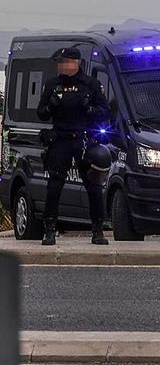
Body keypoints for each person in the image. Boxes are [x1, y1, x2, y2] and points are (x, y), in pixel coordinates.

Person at [36, 47, 110, 246]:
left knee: (93, 187)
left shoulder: (91, 85)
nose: (61, 66)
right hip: (60, 140)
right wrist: (50, 105)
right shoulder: (52, 85)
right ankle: (50, 230)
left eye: (64, 62)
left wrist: (90, 109)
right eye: (59, 62)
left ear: (75, 63)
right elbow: (41, 113)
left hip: (83, 140)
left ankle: (97, 231)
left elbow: (104, 112)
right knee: (54, 186)